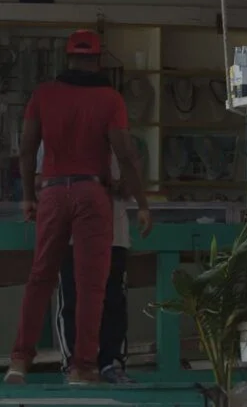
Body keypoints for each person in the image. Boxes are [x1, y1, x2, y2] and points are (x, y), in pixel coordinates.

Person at [5, 29, 151, 385]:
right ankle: (82, 368)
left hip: (53, 192)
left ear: (68, 58)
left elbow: (25, 150)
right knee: (91, 285)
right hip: (91, 193)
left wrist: (28, 196)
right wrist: (142, 203)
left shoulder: (43, 95)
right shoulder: (109, 99)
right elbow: (126, 155)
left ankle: (19, 361)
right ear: (98, 60)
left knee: (40, 277)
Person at [36, 142, 134, 384]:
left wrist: (118, 186)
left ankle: (111, 362)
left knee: (113, 299)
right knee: (73, 297)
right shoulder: (52, 132)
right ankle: (74, 363)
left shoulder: (116, 135)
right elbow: (40, 182)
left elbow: (131, 180)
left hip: (113, 232)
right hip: (71, 234)